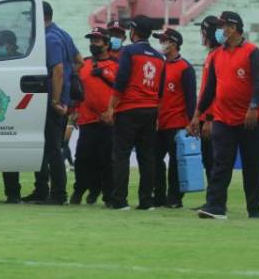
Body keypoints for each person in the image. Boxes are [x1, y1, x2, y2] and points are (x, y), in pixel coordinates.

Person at [189, 12, 259, 220]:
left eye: (223, 26)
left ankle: (254, 209)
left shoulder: (252, 52)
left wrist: (253, 108)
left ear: (233, 28)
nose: (220, 30)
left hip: (249, 120)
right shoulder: (217, 55)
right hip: (223, 119)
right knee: (221, 164)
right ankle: (215, 206)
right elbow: (209, 91)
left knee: (251, 166)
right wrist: (198, 115)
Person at [102, 15, 164, 210]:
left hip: (129, 109)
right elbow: (160, 90)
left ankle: (120, 200)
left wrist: (111, 107)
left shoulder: (129, 51)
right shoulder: (159, 57)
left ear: (133, 32)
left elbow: (120, 81)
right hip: (150, 109)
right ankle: (146, 201)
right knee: (147, 156)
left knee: (121, 155)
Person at [22, 2, 81, 205]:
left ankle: (57, 194)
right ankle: (42, 189)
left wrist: (56, 99)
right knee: (47, 146)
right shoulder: (62, 34)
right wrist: (68, 84)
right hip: (60, 99)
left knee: (53, 147)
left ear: (40, 17)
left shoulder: (49, 38)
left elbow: (56, 69)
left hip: (51, 101)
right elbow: (79, 61)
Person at [70, 28, 118, 206]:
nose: (93, 44)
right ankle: (79, 190)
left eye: (97, 41)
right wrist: (74, 110)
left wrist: (112, 111)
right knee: (82, 159)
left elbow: (122, 89)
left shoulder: (117, 65)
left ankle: (107, 196)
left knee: (106, 160)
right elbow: (77, 90)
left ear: (106, 44)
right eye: (91, 41)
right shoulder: (85, 64)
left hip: (108, 121)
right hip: (87, 120)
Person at [152, 28, 196, 208]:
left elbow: (190, 97)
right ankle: (159, 195)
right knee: (155, 160)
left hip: (177, 122)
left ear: (174, 44)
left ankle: (175, 198)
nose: (162, 44)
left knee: (176, 162)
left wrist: (191, 122)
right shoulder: (158, 65)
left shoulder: (185, 68)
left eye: (164, 40)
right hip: (158, 122)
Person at [0, 30, 25, 203]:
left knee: (10, 153)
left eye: (0, 44)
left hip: (13, 109)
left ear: (10, 45)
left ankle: (13, 193)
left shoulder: (21, 61)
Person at [196, 15, 222, 182]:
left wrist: (209, 118)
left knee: (212, 161)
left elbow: (217, 92)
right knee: (208, 160)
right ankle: (212, 200)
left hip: (212, 117)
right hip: (206, 115)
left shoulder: (218, 56)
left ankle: (215, 201)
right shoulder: (212, 54)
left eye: (203, 32)